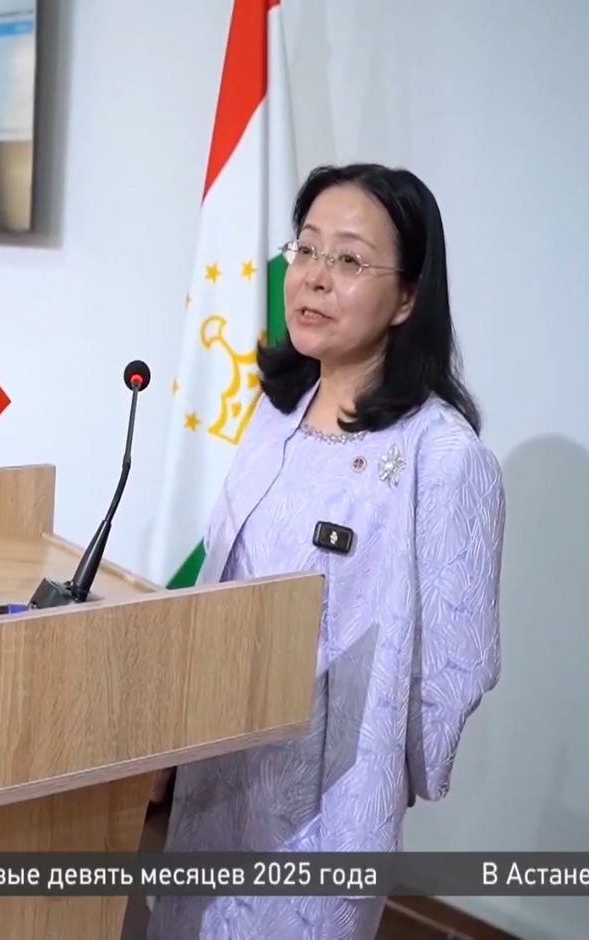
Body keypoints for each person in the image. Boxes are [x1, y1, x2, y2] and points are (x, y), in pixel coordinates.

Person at [144, 164, 505, 940]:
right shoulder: (276, 409)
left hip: (327, 800)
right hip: (219, 768)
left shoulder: (440, 455)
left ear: (406, 298)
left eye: (348, 259)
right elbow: (223, 576)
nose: (313, 277)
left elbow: (460, 661)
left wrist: (379, 770)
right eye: (305, 249)